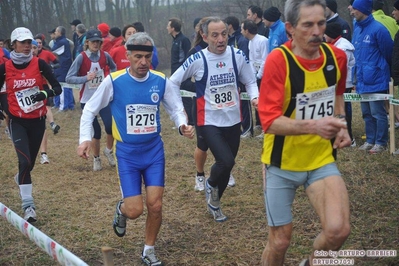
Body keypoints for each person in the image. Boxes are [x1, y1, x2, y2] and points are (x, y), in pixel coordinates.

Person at [77, 32, 193, 266]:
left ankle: (149, 250)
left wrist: (182, 124)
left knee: (156, 205)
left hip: (153, 152)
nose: (143, 62)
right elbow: (89, 109)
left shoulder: (161, 80)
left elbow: (176, 107)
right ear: (127, 56)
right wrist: (84, 139)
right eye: (138, 56)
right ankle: (121, 209)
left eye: (147, 57)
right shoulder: (114, 81)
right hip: (128, 154)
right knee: (135, 210)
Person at [258, 0, 352, 265]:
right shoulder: (279, 61)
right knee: (279, 241)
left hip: (321, 160)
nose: (316, 32)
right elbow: (269, 121)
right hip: (281, 164)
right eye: (307, 25)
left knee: (338, 231)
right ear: (290, 28)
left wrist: (341, 122)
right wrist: (315, 126)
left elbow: (336, 94)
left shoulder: (336, 58)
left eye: (321, 23)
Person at [169, 17, 259, 222]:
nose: (220, 39)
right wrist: (181, 114)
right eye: (215, 35)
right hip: (208, 120)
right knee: (225, 160)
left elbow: (250, 80)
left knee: (228, 165)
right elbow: (173, 82)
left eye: (224, 34)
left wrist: (255, 97)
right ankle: (210, 184)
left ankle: (215, 201)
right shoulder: (198, 59)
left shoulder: (237, 55)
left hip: (233, 120)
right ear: (205, 36)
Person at [0, 27, 62, 222]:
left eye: (30, 43)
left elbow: (58, 88)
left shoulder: (40, 63)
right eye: (23, 42)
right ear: (13, 45)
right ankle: (29, 206)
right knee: (24, 161)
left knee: (30, 165)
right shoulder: (4, 67)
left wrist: (45, 93)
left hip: (37, 121)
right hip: (17, 121)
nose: (28, 46)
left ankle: (21, 178)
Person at [66, 29, 117, 171]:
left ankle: (108, 151)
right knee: (96, 132)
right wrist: (85, 78)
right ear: (87, 42)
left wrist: (110, 79)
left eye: (98, 41)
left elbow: (114, 68)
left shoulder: (105, 55)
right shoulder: (81, 58)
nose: (96, 44)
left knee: (110, 127)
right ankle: (97, 158)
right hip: (87, 100)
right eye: (93, 41)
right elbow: (69, 78)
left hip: (103, 98)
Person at [351, 0, 393, 154]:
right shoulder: (357, 28)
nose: (352, 11)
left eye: (355, 8)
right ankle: (370, 140)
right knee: (366, 113)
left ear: (363, 10)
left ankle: (381, 142)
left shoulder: (379, 29)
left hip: (376, 79)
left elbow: (388, 52)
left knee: (378, 113)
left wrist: (379, 70)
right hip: (362, 79)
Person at [324, 23, 356, 147]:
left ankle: (350, 138)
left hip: (344, 83)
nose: (324, 37)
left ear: (331, 34)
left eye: (325, 34)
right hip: (336, 83)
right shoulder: (333, 45)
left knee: (345, 110)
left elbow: (341, 68)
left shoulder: (343, 47)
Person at [31, 39, 60, 165]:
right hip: (26, 97)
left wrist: (51, 69)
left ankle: (44, 154)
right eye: (30, 47)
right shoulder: (17, 64)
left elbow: (55, 82)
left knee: (42, 122)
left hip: (43, 90)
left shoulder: (42, 61)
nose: (32, 50)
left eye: (34, 47)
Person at [225, 16, 252, 143]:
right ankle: (241, 127)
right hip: (231, 78)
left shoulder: (241, 40)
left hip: (242, 77)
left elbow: (244, 60)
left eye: (225, 24)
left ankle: (248, 128)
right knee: (237, 104)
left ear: (230, 25)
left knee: (245, 104)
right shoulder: (229, 39)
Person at [167, 18, 193, 125]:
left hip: (182, 73)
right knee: (178, 97)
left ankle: (191, 121)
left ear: (173, 28)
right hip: (174, 73)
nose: (167, 28)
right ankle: (183, 120)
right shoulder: (175, 40)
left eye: (168, 26)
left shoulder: (184, 39)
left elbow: (187, 57)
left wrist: (185, 72)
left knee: (186, 97)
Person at [52, 26, 74, 111]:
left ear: (60, 33)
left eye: (56, 32)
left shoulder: (61, 42)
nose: (55, 33)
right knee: (66, 85)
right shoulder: (64, 41)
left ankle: (64, 106)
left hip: (63, 67)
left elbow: (53, 51)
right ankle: (69, 104)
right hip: (63, 67)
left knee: (63, 86)